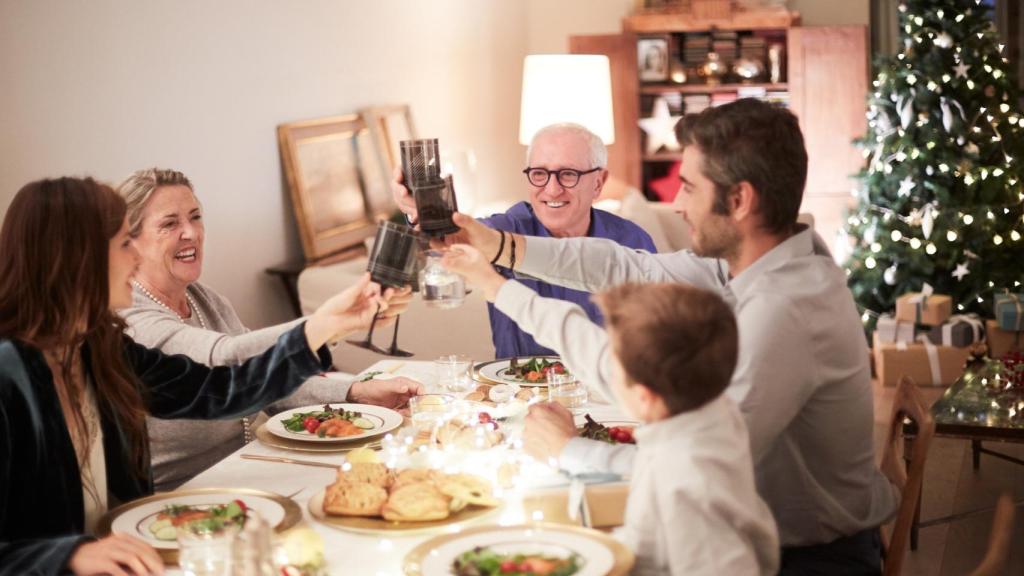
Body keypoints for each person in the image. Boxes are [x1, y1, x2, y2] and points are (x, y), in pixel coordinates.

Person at [440, 98, 898, 574]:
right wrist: (501, 247)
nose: (677, 204)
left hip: (804, 558)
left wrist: (570, 450)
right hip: (747, 528)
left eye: (689, 187)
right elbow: (626, 266)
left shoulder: (785, 309)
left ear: (739, 201)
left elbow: (694, 467)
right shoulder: (755, 263)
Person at [0, 177, 407, 575]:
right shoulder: (7, 375)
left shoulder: (99, 348)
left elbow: (222, 388)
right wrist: (68, 556)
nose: (136, 258)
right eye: (125, 243)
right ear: (80, 258)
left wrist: (327, 327)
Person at [117, 168, 422, 490]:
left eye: (195, 217)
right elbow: (226, 362)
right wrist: (328, 323)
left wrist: (354, 393)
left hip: (251, 469)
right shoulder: (132, 320)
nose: (191, 232)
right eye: (169, 224)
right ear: (129, 242)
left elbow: (261, 378)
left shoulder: (205, 299)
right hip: (187, 495)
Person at [392, 123, 656, 357]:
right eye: (540, 173)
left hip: (606, 390)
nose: (552, 189)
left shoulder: (632, 241)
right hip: (518, 390)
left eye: (568, 174)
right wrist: (419, 212)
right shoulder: (504, 229)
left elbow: (656, 335)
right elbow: (450, 244)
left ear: (598, 182)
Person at [594, 282, 780, 574]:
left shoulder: (687, 481)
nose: (610, 377)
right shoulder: (712, 408)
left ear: (645, 398)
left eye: (614, 369)